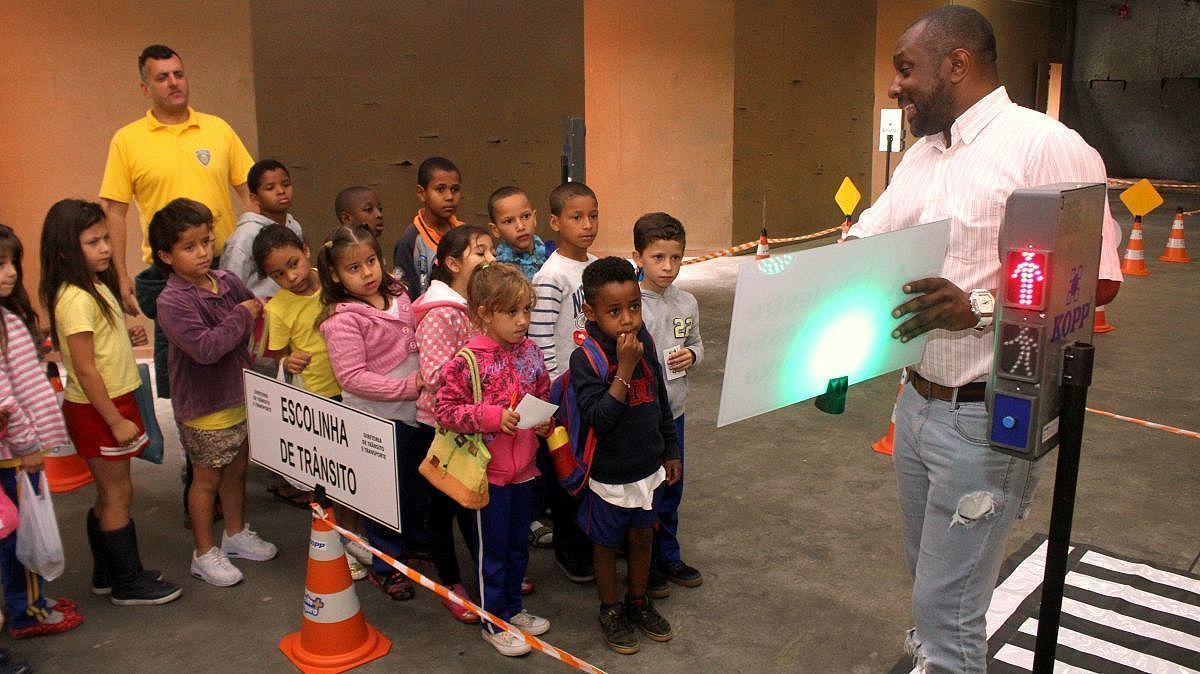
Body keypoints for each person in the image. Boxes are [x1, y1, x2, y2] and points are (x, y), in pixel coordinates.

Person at [845, 7, 1123, 672]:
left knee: (949, 612)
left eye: (906, 70)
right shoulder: (923, 154)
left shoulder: (1044, 147)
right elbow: (873, 233)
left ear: (958, 64)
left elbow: (1098, 281)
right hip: (915, 404)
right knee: (931, 585)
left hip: (985, 415)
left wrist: (978, 305)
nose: (895, 87)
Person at [39, 199, 182, 606]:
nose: (105, 248)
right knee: (118, 494)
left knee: (110, 493)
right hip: (99, 410)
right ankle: (128, 581)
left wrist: (123, 339)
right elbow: (83, 369)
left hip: (112, 403)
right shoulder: (76, 299)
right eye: (93, 241)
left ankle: (108, 573)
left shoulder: (94, 285)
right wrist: (114, 421)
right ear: (65, 250)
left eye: (105, 238)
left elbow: (96, 349)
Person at [100, 43, 255, 391]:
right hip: (169, 274)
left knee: (238, 367)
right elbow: (115, 211)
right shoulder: (127, 140)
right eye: (162, 77)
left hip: (224, 265)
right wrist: (120, 274)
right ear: (145, 88)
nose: (174, 83)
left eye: (178, 74)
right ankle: (192, 444)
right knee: (185, 376)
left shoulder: (218, 129)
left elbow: (249, 193)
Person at [150, 198, 278, 588]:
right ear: (165, 255)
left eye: (207, 241)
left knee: (236, 472)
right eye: (190, 247)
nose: (203, 252)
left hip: (239, 395)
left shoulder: (227, 281)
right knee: (205, 481)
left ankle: (235, 535)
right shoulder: (171, 301)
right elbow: (206, 348)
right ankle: (204, 553)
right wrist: (243, 314)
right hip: (204, 408)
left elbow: (253, 315)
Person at [434, 262, 552, 657]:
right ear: (484, 313)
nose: (523, 321)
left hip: (526, 470)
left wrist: (543, 425)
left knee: (519, 546)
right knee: (493, 551)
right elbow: (445, 410)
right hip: (489, 476)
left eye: (527, 310)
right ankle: (492, 620)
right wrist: (490, 417)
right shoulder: (469, 360)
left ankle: (513, 609)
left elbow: (542, 390)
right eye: (512, 312)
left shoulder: (531, 352)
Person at [571, 256, 681, 655]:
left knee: (641, 537)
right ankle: (610, 609)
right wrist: (625, 368)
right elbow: (599, 419)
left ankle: (637, 600)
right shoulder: (586, 358)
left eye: (633, 306)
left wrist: (670, 448)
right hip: (609, 474)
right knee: (605, 544)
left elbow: (660, 400)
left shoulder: (644, 341)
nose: (628, 319)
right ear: (590, 311)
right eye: (614, 311)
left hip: (647, 467)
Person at [317, 225, 427, 600]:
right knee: (382, 499)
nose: (367, 273)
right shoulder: (342, 319)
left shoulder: (400, 295)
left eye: (371, 262)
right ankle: (386, 564)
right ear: (334, 275)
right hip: (375, 422)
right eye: (353, 268)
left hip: (415, 414)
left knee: (414, 486)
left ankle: (411, 544)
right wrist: (407, 387)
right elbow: (352, 378)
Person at [0, 225, 83, 638]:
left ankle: (26, 601)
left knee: (16, 530)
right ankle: (25, 610)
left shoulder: (7, 316)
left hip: (16, 449)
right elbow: (4, 396)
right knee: (20, 534)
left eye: (13, 261)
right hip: (14, 452)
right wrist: (27, 444)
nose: (11, 272)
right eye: (0, 264)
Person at [412, 224, 495, 623]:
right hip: (441, 426)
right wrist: (482, 369)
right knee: (443, 507)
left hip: (471, 422)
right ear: (451, 262)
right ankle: (450, 582)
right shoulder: (440, 312)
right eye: (481, 253)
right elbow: (434, 373)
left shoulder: (470, 304)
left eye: (491, 252)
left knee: (470, 502)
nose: (491, 260)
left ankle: (485, 575)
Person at [631, 213, 704, 597]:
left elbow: (697, 342)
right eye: (658, 257)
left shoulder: (687, 302)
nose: (668, 267)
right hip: (640, 419)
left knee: (673, 488)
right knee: (646, 494)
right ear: (638, 256)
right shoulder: (629, 303)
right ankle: (643, 563)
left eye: (676, 258)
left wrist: (692, 356)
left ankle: (668, 554)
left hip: (674, 414)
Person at [530, 182, 599, 583]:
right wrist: (557, 398)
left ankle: (593, 538)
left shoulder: (595, 267)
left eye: (593, 215)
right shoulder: (551, 276)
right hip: (564, 396)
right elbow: (540, 344)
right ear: (555, 222)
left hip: (593, 390)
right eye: (576, 217)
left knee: (591, 468)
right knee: (566, 475)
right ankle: (569, 550)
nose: (587, 225)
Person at [220, 159, 304, 297]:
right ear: (254, 198)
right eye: (270, 188)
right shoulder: (244, 236)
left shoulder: (293, 225)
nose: (281, 191)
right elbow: (230, 287)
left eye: (286, 184)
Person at [393, 157, 464, 301]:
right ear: (421, 193)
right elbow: (406, 297)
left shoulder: (466, 234)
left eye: (455, 189)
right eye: (440, 189)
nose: (449, 196)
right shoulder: (410, 242)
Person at [487, 186, 548, 280]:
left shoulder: (550, 252)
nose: (520, 227)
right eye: (509, 221)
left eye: (526, 216)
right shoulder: (501, 272)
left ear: (534, 218)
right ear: (495, 230)